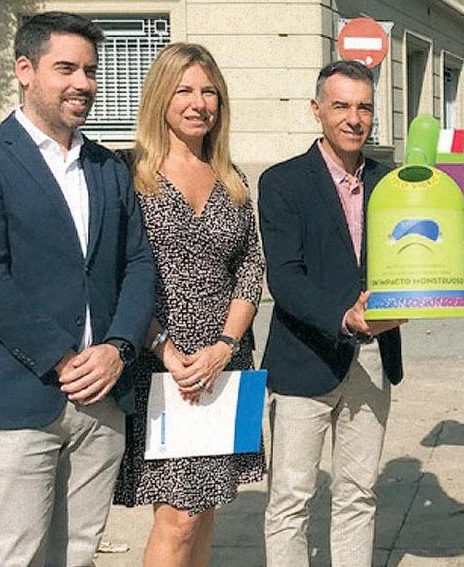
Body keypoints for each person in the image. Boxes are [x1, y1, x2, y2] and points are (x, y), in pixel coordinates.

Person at [0, 11, 156, 566]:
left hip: (102, 398)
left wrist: (118, 348)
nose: (83, 83)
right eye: (66, 68)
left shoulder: (108, 167)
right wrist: (61, 357)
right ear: (25, 70)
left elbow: (138, 264)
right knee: (15, 554)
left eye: (90, 70)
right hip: (21, 396)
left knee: (78, 553)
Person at [110, 43, 265, 566]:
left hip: (225, 362)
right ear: (160, 97)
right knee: (178, 517)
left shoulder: (232, 177)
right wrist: (164, 348)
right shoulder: (129, 174)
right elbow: (116, 273)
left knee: (205, 508)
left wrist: (224, 346)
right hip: (160, 364)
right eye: (184, 90)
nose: (199, 103)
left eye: (209, 92)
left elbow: (250, 267)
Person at [258, 60, 405, 567]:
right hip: (305, 360)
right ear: (316, 109)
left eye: (364, 107)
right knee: (290, 500)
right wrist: (345, 317)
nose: (354, 118)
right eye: (341, 105)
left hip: (373, 360)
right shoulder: (283, 182)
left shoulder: (391, 183)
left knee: (358, 494)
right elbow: (285, 279)